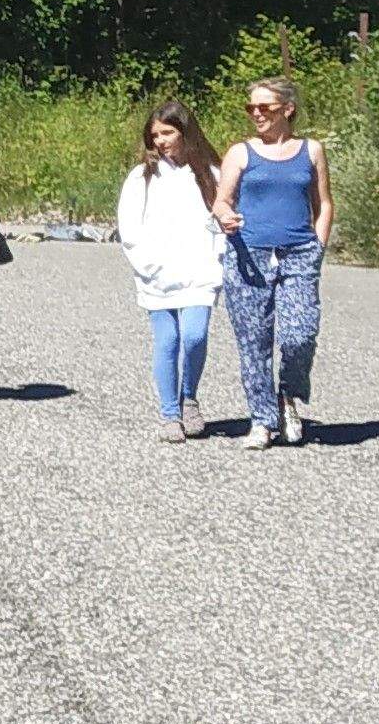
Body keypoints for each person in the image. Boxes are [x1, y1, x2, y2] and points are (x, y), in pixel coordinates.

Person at [214, 75, 332, 449]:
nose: (256, 114)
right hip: (249, 255)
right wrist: (224, 215)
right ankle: (262, 421)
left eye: (264, 107)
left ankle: (288, 396)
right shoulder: (240, 152)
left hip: (298, 253)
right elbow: (221, 200)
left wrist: (318, 245)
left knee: (300, 334)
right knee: (254, 343)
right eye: (251, 108)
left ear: (288, 109)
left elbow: (324, 202)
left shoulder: (311, 150)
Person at [118, 100, 228, 442]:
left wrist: (219, 259)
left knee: (194, 336)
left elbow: (224, 218)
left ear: (185, 131)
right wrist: (149, 266)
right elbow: (129, 226)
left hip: (200, 270)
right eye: (155, 135)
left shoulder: (211, 172)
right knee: (168, 340)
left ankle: (189, 397)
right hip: (158, 274)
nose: (162, 141)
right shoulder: (142, 177)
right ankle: (169, 413)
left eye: (168, 132)